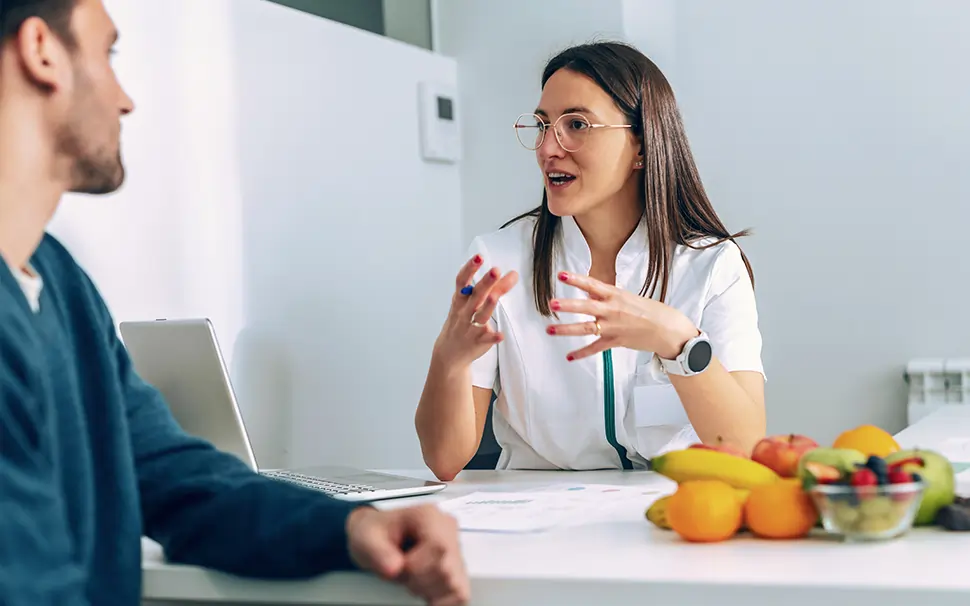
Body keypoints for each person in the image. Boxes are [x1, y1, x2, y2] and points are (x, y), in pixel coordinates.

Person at [0, 1, 468, 605]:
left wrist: (353, 526)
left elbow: (178, 479)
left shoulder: (60, 283)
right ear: (42, 51)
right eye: (107, 53)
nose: (126, 99)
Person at [416, 41, 766, 481]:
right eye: (543, 127)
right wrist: (447, 361)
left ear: (641, 144)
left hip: (678, 516)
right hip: (533, 520)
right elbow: (444, 461)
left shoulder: (712, 265)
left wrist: (675, 339)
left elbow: (746, 448)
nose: (548, 149)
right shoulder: (498, 262)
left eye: (576, 124)